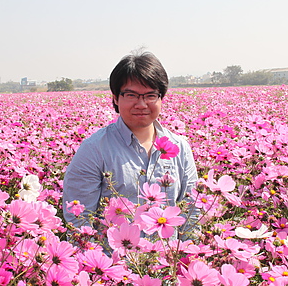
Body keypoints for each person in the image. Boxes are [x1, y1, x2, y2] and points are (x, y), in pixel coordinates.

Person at [62, 51, 198, 238]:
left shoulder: (179, 147)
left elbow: (192, 212)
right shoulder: (94, 149)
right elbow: (79, 220)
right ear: (116, 98)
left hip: (168, 262)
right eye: (131, 95)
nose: (141, 104)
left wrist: (186, 259)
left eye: (150, 95)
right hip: (113, 262)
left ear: (161, 98)